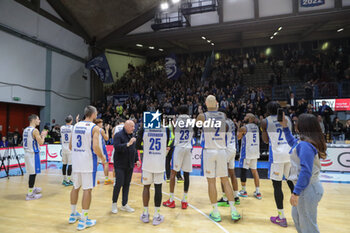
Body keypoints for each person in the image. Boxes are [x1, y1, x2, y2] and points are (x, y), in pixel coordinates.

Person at [197, 95, 240, 222]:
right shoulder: (223, 115)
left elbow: (198, 125)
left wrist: (201, 112)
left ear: (205, 103)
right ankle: (233, 210)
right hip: (221, 150)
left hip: (209, 151)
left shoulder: (202, 116)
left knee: (211, 182)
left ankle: (215, 212)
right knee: (225, 180)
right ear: (217, 103)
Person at [281, 113, 326, 233]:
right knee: (298, 219)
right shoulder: (303, 142)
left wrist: (296, 192)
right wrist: (285, 127)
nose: (295, 124)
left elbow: (306, 171)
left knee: (308, 227)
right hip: (307, 188)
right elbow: (292, 143)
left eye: (297, 122)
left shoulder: (305, 145)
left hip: (308, 188)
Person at [68, 106, 107, 230]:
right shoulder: (94, 128)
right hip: (88, 163)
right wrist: (102, 157)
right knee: (87, 190)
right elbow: (95, 147)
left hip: (76, 162)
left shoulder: (75, 126)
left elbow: (70, 146)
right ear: (94, 114)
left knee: (75, 187)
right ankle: (84, 220)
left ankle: (73, 214)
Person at [261, 101, 295, 227]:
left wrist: (264, 130)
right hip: (290, 154)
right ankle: (301, 214)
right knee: (292, 184)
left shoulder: (266, 121)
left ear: (268, 110)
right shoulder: (287, 119)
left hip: (277, 156)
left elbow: (265, 140)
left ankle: (281, 217)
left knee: (277, 186)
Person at [136, 122, 171, 226]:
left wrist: (146, 149)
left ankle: (145, 214)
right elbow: (167, 144)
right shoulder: (166, 130)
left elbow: (137, 145)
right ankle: (156, 215)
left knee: (146, 187)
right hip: (159, 164)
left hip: (147, 163)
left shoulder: (144, 129)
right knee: (158, 188)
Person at [163, 105, 193, 209]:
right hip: (188, 148)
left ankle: (171, 200)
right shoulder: (191, 120)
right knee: (187, 174)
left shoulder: (177, 120)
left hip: (179, 147)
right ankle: (184, 200)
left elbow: (173, 131)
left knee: (173, 173)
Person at [112, 120, 141, 214]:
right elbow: (117, 147)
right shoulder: (118, 135)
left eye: (134, 126)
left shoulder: (132, 135)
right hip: (120, 164)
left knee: (127, 184)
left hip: (130, 164)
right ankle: (114, 204)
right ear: (126, 126)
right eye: (132, 126)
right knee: (119, 184)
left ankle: (124, 204)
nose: (134, 128)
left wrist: (137, 159)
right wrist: (127, 144)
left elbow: (134, 148)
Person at [22, 114, 47, 200]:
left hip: (27, 153)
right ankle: (30, 194)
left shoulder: (25, 129)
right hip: (33, 154)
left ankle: (32, 188)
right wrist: (43, 135)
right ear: (33, 120)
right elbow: (41, 142)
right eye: (38, 119)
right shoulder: (35, 130)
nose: (39, 121)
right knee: (33, 173)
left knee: (32, 172)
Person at [217, 112, 240, 206]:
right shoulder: (230, 121)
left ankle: (225, 198)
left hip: (226, 149)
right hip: (232, 148)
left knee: (223, 174)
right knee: (232, 173)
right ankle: (236, 196)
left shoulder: (224, 123)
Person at [237, 113, 262, 200]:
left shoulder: (244, 128)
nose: (244, 117)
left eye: (246, 116)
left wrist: (238, 127)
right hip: (255, 152)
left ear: (250, 119)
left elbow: (238, 138)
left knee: (243, 171)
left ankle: (243, 191)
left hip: (247, 153)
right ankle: (258, 192)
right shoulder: (256, 127)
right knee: (255, 171)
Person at [93, 119, 112, 185]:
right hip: (101, 149)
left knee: (96, 163)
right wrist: (107, 130)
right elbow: (106, 138)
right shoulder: (101, 130)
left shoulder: (92, 129)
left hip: (95, 149)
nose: (102, 124)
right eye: (101, 123)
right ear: (98, 124)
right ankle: (106, 180)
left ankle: (94, 179)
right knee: (106, 163)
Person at [60, 115, 74, 186]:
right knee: (70, 165)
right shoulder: (72, 127)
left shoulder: (61, 127)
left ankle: (64, 179)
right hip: (70, 148)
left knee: (64, 164)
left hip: (63, 148)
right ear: (71, 121)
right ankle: (68, 180)